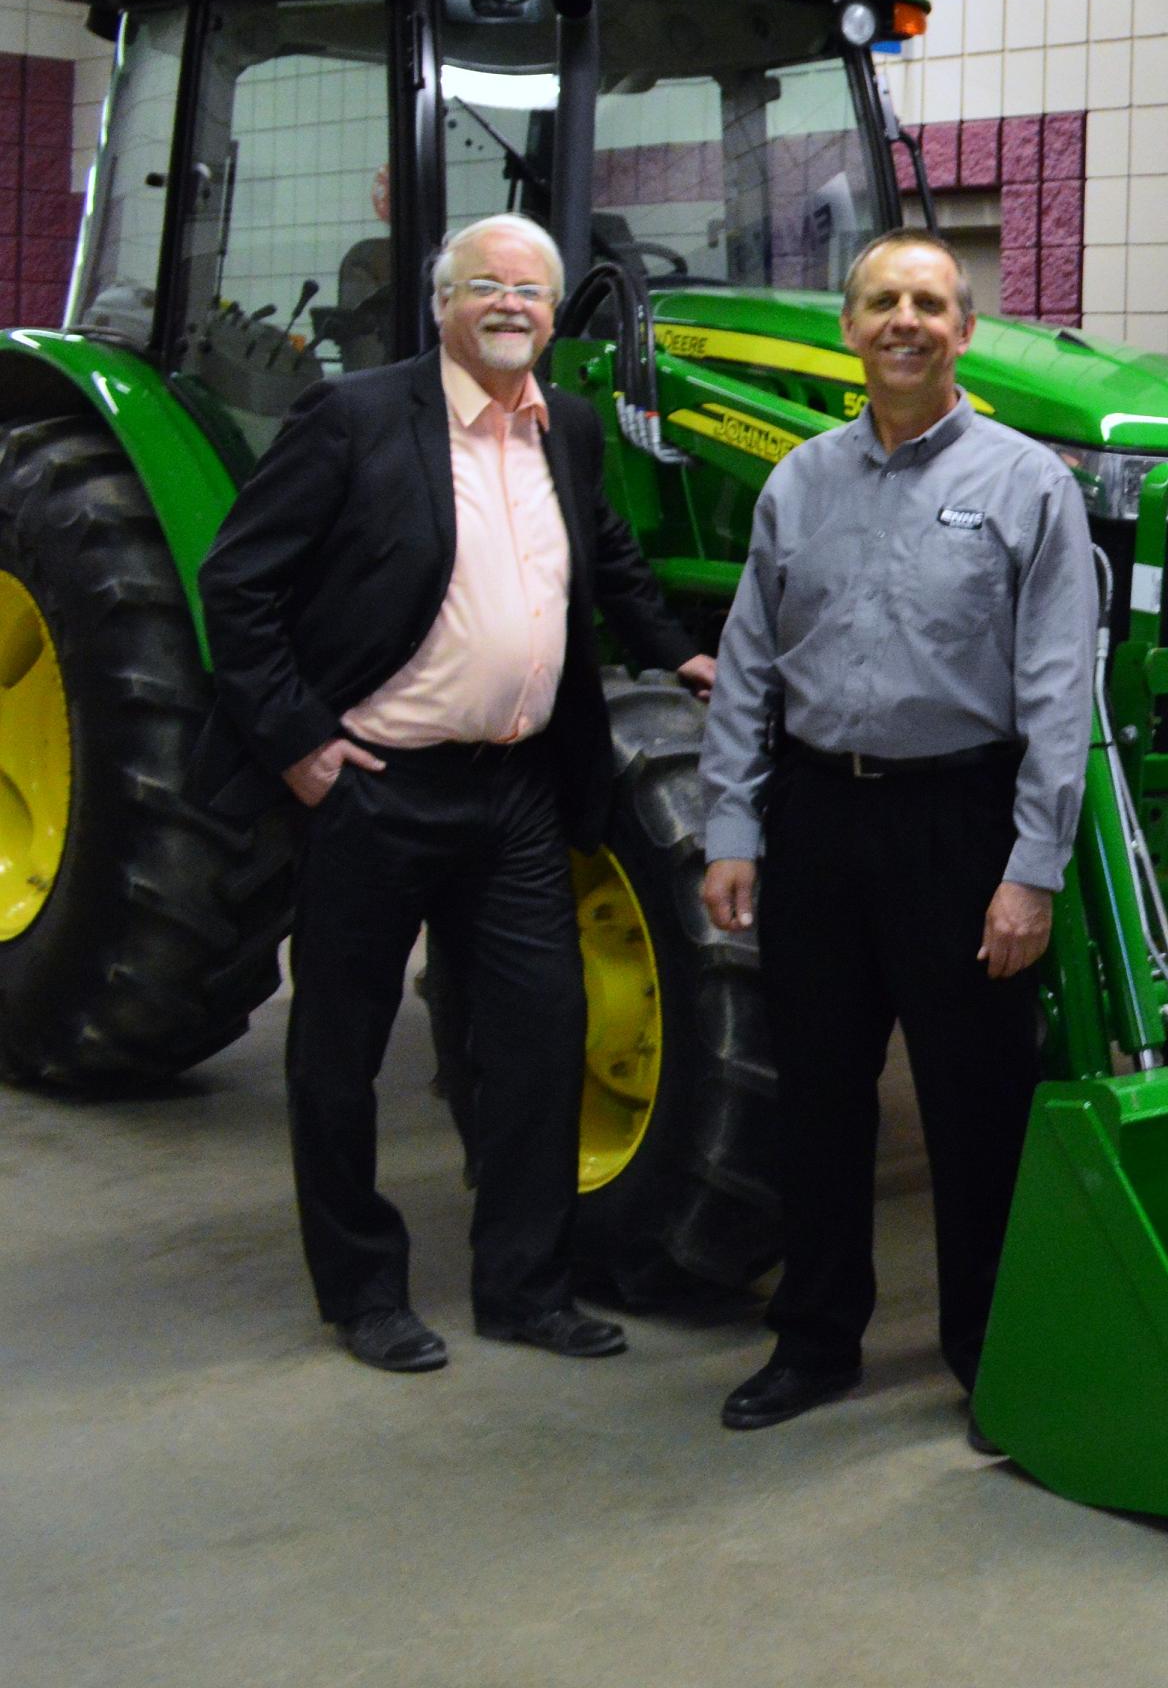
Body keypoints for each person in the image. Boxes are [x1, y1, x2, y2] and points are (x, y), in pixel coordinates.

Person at [198, 212, 713, 1375]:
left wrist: (676, 651)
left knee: (541, 1038)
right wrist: (301, 746)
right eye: (487, 286)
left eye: (532, 291)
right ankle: (364, 1291)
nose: (512, 306)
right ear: (442, 304)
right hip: (376, 789)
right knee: (340, 1051)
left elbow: (608, 552)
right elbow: (236, 584)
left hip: (518, 792)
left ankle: (524, 1287)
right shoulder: (356, 418)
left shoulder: (566, 429)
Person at [695, 230, 1096, 1440]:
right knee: (817, 1096)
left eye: (929, 302)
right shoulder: (795, 483)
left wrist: (1029, 873)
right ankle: (815, 1341)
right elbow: (750, 666)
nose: (905, 321)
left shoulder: (1030, 485)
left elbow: (1057, 697)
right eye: (882, 301)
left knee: (976, 1108)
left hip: (957, 824)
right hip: (817, 818)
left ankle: (989, 1355)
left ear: (963, 331)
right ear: (848, 328)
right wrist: (732, 826)